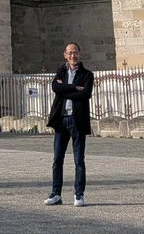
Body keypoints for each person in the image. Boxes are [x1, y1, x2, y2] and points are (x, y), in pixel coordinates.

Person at [44, 41, 94, 207]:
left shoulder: (87, 74)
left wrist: (65, 89)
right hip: (61, 120)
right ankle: (56, 194)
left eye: (75, 52)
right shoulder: (61, 71)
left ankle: (79, 194)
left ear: (79, 54)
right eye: (70, 53)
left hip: (77, 120)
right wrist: (74, 88)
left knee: (79, 160)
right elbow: (54, 88)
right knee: (57, 159)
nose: (73, 55)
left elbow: (86, 94)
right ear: (65, 55)